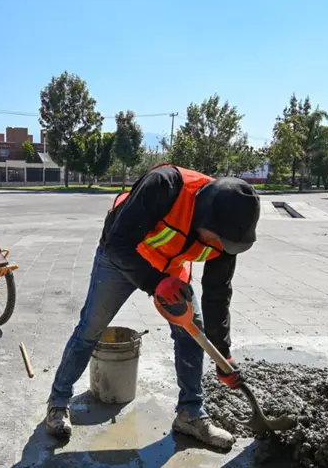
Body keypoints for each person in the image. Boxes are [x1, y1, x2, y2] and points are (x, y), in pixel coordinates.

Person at [45, 164, 261, 448]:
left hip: (170, 269)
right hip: (121, 258)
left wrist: (223, 352)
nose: (218, 245)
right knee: (91, 328)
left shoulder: (227, 232)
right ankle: (59, 402)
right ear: (204, 215)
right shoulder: (166, 185)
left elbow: (217, 293)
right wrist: (154, 281)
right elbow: (117, 242)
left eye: (225, 243)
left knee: (191, 334)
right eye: (215, 238)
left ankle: (190, 413)